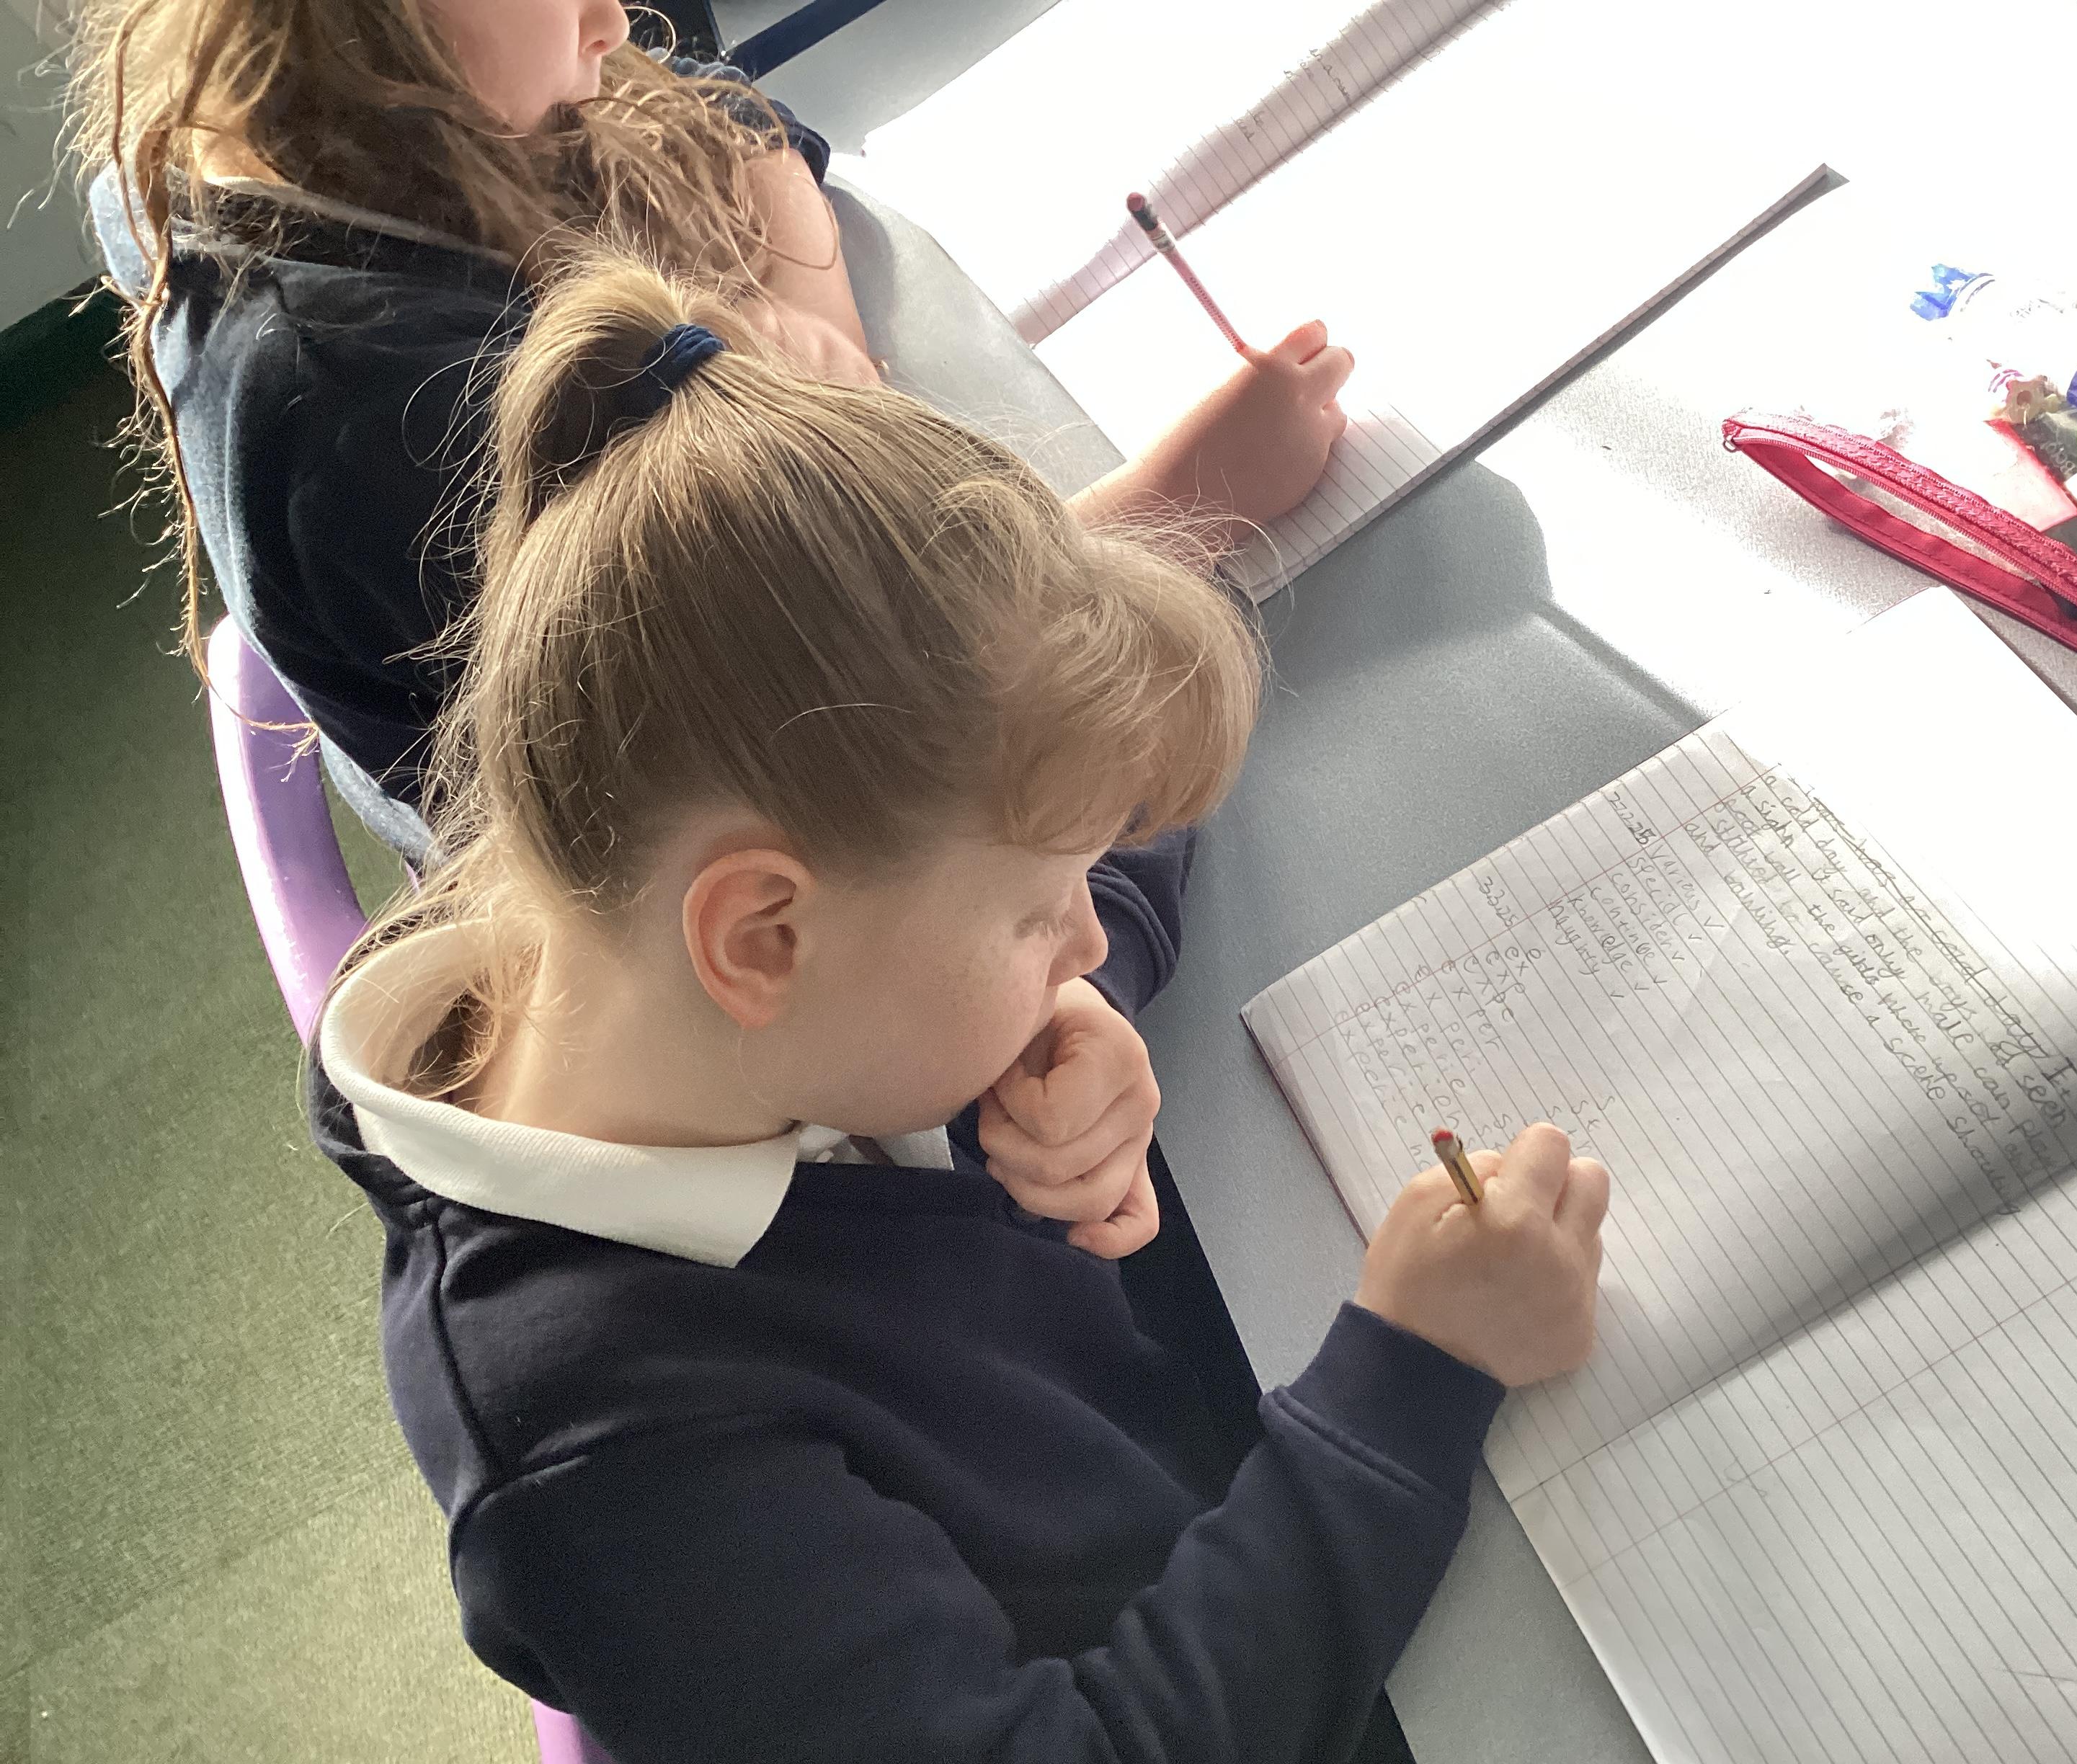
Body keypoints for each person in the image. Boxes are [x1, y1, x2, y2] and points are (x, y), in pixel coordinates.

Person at [308, 250, 1609, 1761]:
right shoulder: (603, 1466)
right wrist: (1419, 1377)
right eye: (1035, 913)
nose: (1081, 930)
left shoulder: (654, 962)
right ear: (763, 938)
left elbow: (1043, 824)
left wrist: (1067, 1004)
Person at [72, 0, 1356, 808]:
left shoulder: (341, 112)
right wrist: (1184, 503)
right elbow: (854, 722)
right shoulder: (388, 415)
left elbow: (736, 127)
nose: (611, 23)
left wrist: (821, 351)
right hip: (696, 857)